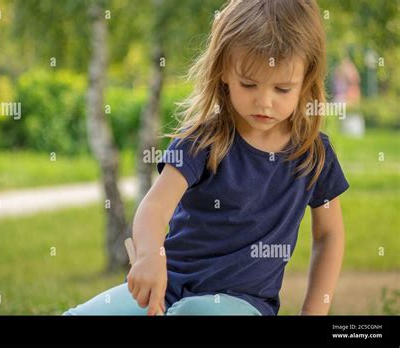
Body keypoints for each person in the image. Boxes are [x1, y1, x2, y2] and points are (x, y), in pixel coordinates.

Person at [63, 0, 349, 316]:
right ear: (224, 70)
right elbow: (155, 207)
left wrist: (314, 311)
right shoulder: (203, 139)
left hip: (241, 305)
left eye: (282, 89)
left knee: (197, 313)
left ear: (306, 80)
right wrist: (149, 256)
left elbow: (329, 235)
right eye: (249, 84)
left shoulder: (314, 154)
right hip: (165, 288)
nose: (264, 101)